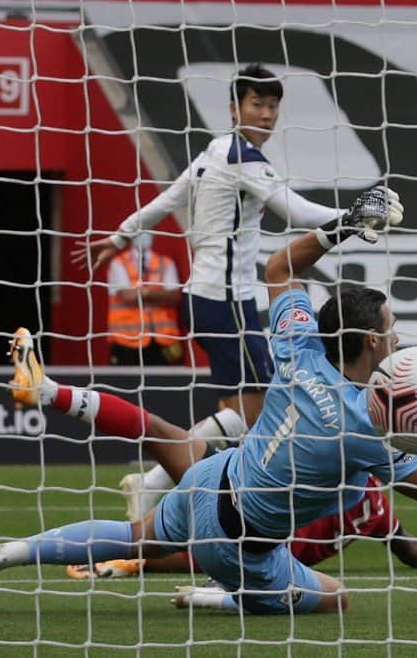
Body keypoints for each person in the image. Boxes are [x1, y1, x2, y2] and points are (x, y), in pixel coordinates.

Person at [0, 187, 417, 617]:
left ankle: (2, 554)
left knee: (139, 531)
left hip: (211, 480)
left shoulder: (301, 344)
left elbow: (279, 268)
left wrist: (346, 225)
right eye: (391, 329)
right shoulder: (365, 429)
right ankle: (221, 593)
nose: (397, 337)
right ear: (372, 341)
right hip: (239, 545)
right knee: (336, 599)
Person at [77, 63, 361, 522]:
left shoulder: (214, 150)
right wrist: (354, 216)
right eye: (257, 104)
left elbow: (169, 197)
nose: (267, 115)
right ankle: (159, 485)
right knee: (257, 412)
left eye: (273, 107)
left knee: (243, 413)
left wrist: (121, 235)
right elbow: (296, 210)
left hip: (211, 300)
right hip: (226, 303)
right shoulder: (242, 157)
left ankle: (161, 486)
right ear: (235, 108)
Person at [66, 473, 417, 581]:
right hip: (283, 554)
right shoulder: (378, 508)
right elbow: (410, 551)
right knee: (202, 553)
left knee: (199, 545)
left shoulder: (331, 476)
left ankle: (129, 558)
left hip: (269, 534)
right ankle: (131, 553)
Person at [106, 233, 183, 367]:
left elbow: (174, 297)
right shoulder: (118, 263)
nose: (143, 235)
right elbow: (128, 297)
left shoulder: (166, 263)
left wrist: (142, 292)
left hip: (163, 340)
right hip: (127, 340)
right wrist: (159, 295)